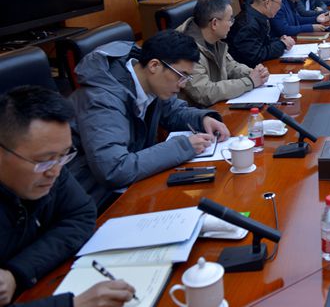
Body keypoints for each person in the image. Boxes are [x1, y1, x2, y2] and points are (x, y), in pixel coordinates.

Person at [0, 86, 136, 307]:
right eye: (43, 161)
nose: (54, 171)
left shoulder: (53, 165)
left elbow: (81, 214)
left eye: (64, 156)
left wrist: (17, 272)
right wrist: (74, 304)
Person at [68, 30, 231, 206]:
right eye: (181, 75)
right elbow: (114, 170)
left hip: (135, 182)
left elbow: (173, 112)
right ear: (154, 66)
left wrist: (202, 119)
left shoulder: (150, 81)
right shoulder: (102, 99)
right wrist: (183, 146)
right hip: (95, 199)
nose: (183, 85)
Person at [176, 0, 270, 107]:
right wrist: (249, 82)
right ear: (214, 23)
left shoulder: (214, 39)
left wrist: (254, 73)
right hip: (197, 113)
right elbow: (204, 93)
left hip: (216, 107)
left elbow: (230, 66)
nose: (232, 24)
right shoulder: (186, 49)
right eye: (230, 19)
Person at [226, 0, 295, 67]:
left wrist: (279, 40)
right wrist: (282, 44)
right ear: (267, 3)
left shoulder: (257, 15)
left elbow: (262, 42)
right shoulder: (248, 24)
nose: (280, 7)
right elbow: (256, 55)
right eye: (279, 4)